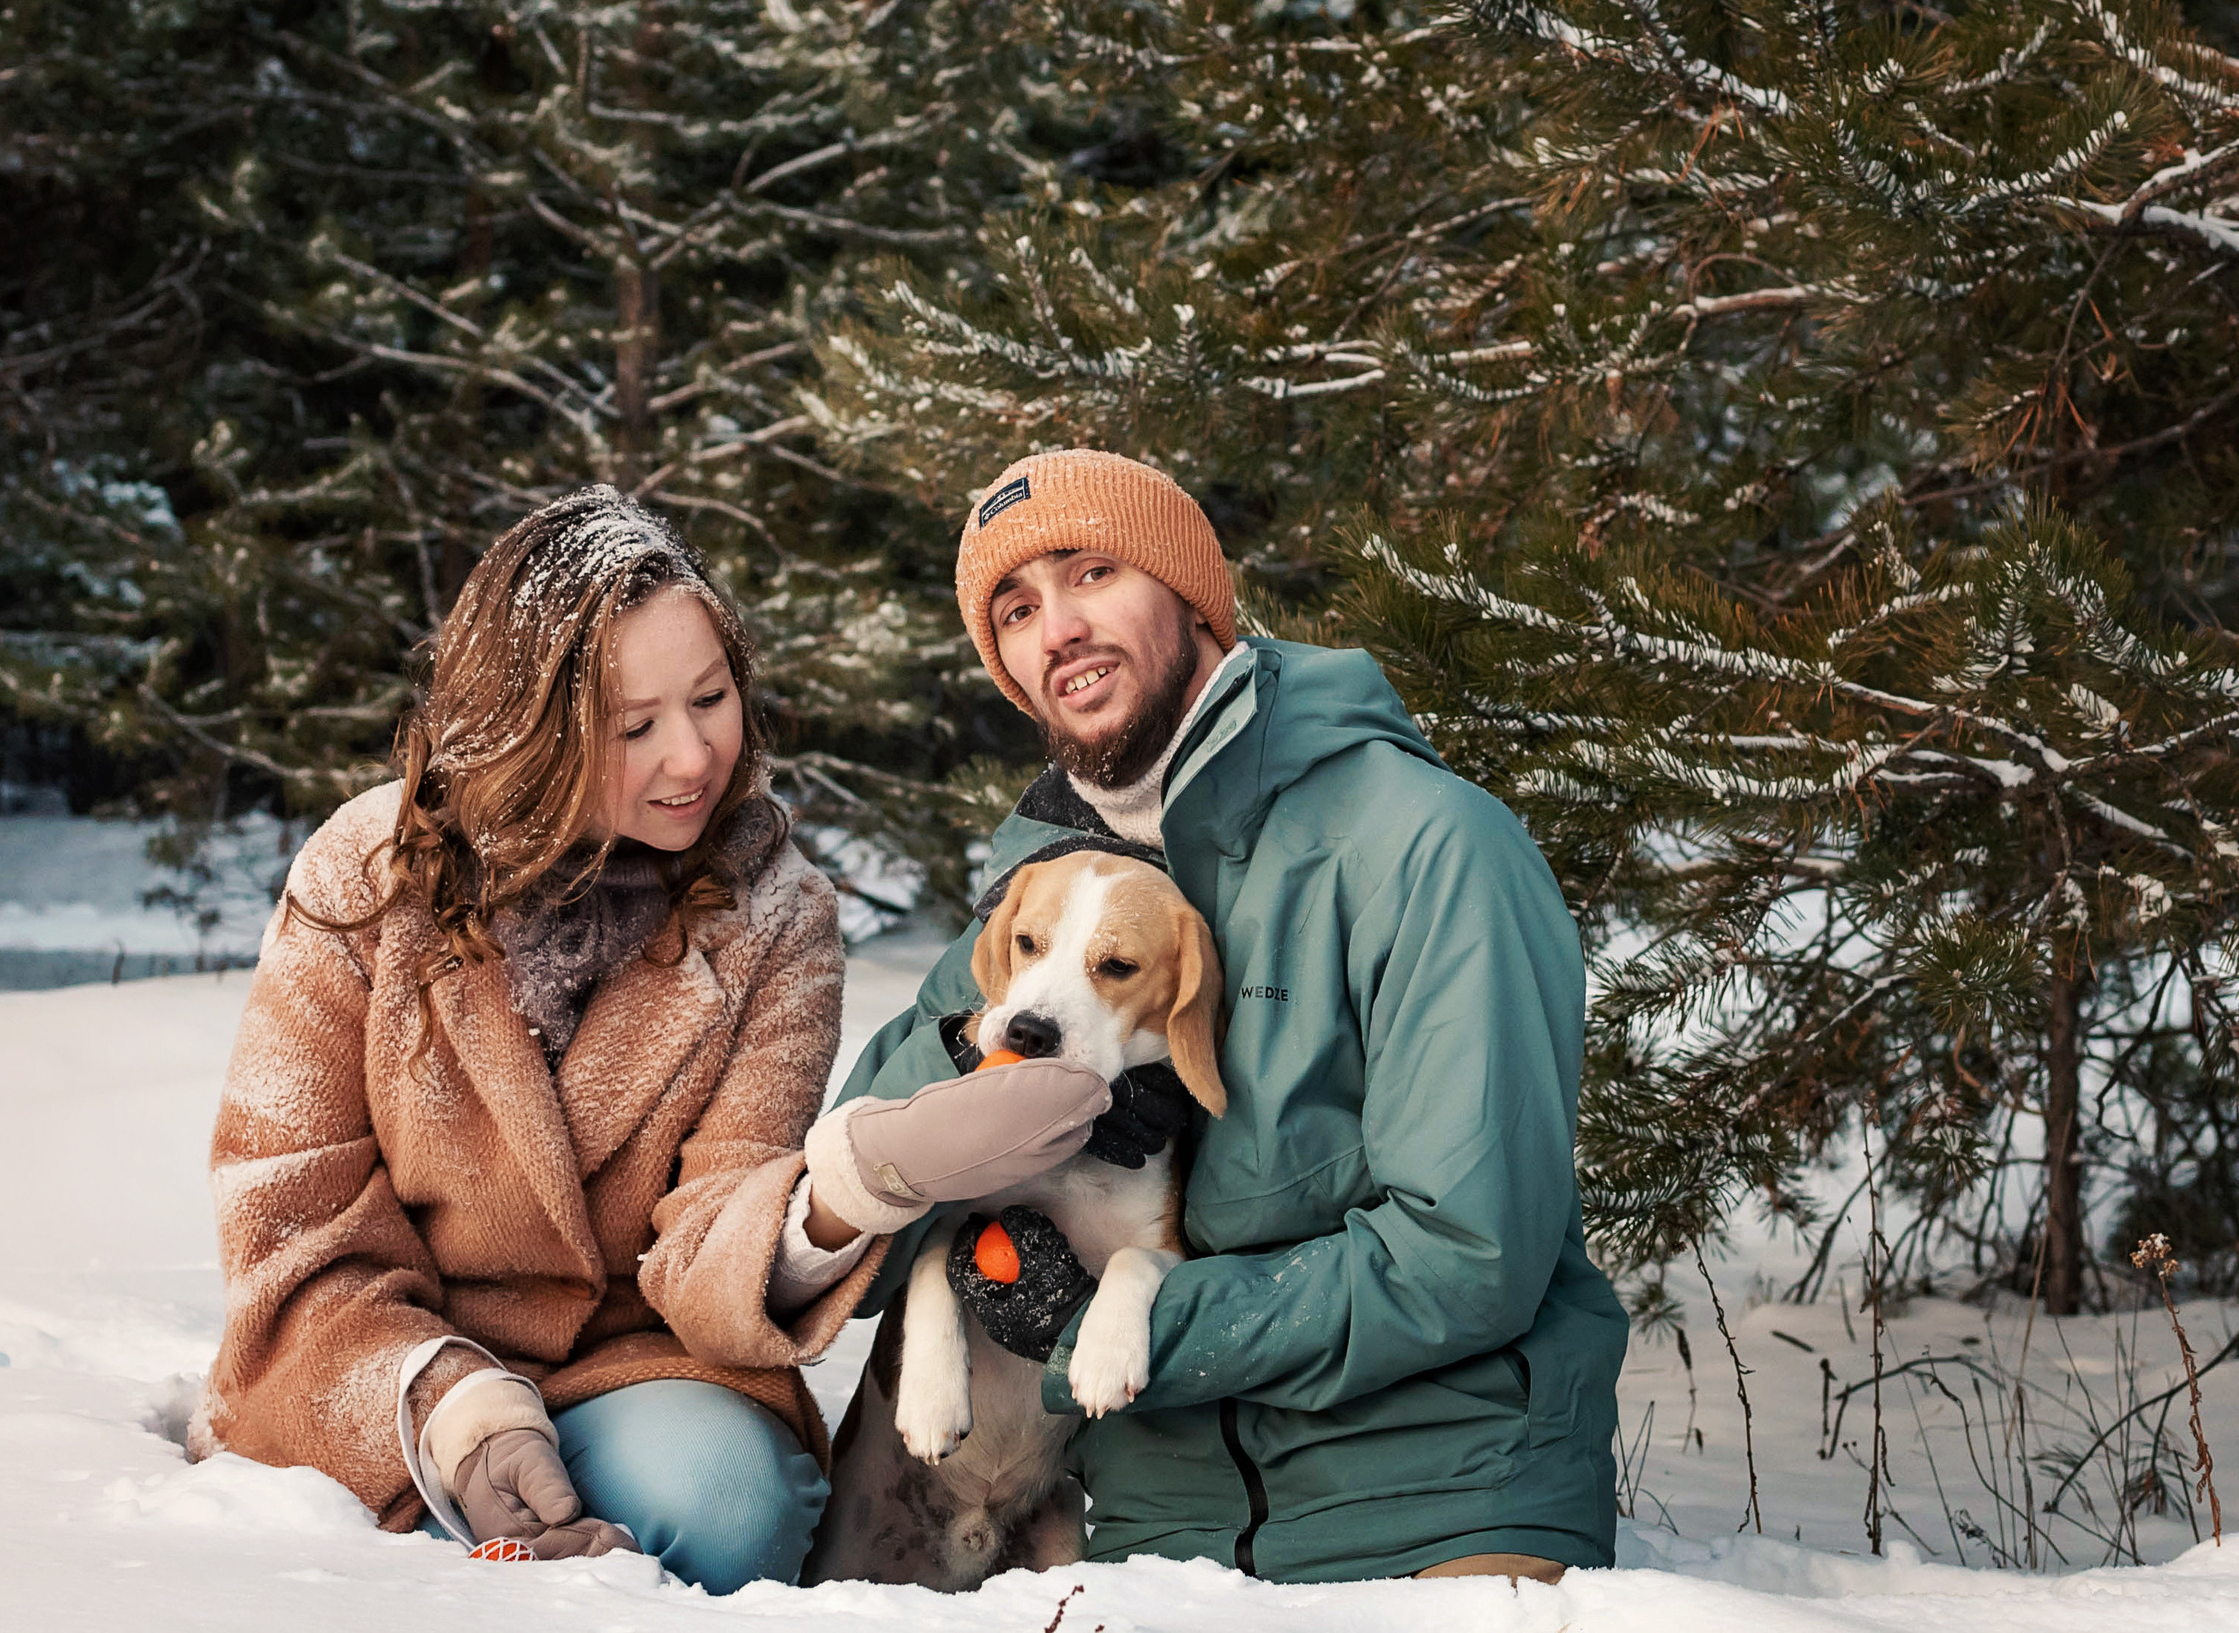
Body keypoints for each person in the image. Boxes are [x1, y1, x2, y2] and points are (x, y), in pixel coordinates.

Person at [192, 490, 1118, 1592]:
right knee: (383, 1507)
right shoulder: (361, 876)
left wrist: (855, 1186)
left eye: (711, 699)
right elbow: (289, 1222)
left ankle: (533, 1561)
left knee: (735, 1509)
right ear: (529, 733)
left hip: (628, 1375)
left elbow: (706, 1234)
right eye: (632, 727)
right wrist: (462, 1414)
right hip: (385, 1369)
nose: (691, 758)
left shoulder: (776, 916)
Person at [809, 449, 1631, 1584]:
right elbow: (850, 1199)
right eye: (1015, 609)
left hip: (1432, 1505)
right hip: (1160, 1537)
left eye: (1092, 572)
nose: (1057, 630)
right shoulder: (1048, 881)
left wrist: (1130, 1315)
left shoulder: (1427, 846)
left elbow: (1469, 1256)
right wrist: (972, 1066)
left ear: (1190, 593)